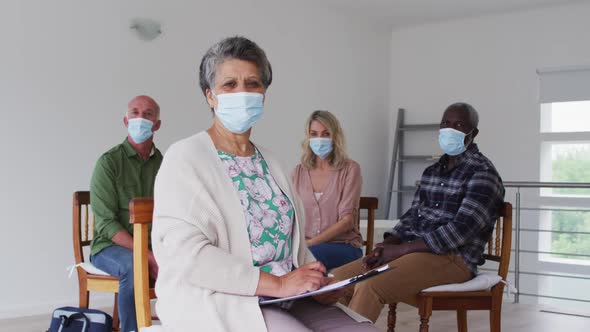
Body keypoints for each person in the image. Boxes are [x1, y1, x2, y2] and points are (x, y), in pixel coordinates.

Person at [151, 36, 379, 332]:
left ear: (264, 95)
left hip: (287, 296)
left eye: (253, 84)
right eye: (230, 85)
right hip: (221, 299)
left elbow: (292, 246)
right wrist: (278, 283)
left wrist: (317, 282)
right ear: (210, 96)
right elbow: (188, 256)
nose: (242, 93)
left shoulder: (270, 162)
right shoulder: (185, 157)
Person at [332, 102, 505, 322]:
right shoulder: (432, 172)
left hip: (454, 259)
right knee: (336, 281)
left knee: (369, 285)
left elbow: (460, 231)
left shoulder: (483, 174)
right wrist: (388, 246)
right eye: (446, 123)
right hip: (416, 254)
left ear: (474, 133)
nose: (450, 129)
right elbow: (411, 217)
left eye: (459, 124)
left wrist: (402, 250)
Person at [90, 95, 162, 332]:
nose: (141, 118)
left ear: (157, 124)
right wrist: (148, 256)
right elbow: (106, 225)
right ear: (125, 120)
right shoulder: (109, 163)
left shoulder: (165, 164)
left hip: (151, 246)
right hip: (109, 248)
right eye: (135, 112)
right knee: (134, 266)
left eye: (148, 114)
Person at [291, 110, 363, 270]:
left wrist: (309, 244)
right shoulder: (299, 172)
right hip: (306, 246)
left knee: (305, 257)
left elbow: (347, 221)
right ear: (308, 137)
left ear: (335, 136)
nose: (319, 139)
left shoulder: (350, 169)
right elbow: (290, 215)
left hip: (343, 246)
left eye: (326, 134)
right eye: (314, 134)